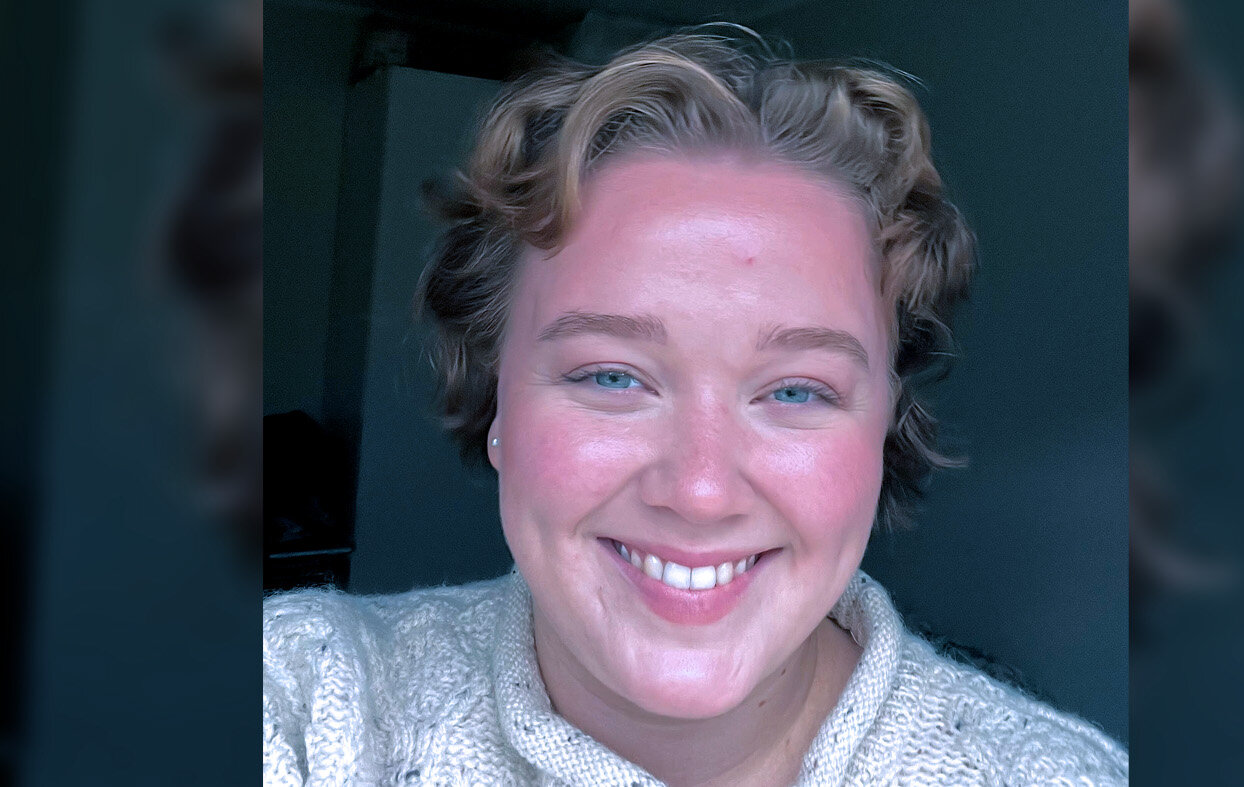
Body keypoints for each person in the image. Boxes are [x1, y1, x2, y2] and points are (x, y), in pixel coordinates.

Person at [263, 30, 1128, 786]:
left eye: (796, 389)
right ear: (498, 399)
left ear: (882, 430)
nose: (700, 491)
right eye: (612, 377)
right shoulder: (300, 703)